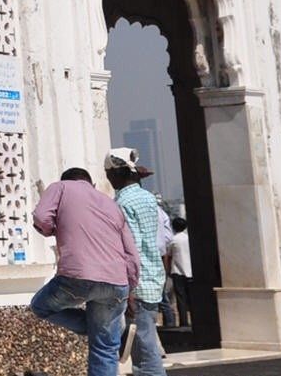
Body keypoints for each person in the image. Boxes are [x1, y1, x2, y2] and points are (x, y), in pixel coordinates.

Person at [28, 167, 140, 376]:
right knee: (105, 347)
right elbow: (131, 251)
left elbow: (42, 217)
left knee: (40, 307)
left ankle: (107, 331)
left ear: (65, 181)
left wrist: (53, 229)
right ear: (92, 185)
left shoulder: (60, 188)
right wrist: (130, 288)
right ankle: (111, 332)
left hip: (77, 277)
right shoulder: (110, 203)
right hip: (117, 282)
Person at [105, 148, 168, 376]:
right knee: (145, 341)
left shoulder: (122, 203)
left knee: (144, 351)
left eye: (108, 174)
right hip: (153, 278)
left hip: (137, 283)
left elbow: (131, 249)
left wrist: (129, 288)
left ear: (116, 174)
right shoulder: (147, 197)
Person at [166, 217, 192, 330]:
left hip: (177, 271)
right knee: (191, 297)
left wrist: (167, 271)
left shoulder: (173, 240)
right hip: (190, 271)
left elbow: (169, 256)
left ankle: (183, 322)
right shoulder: (188, 239)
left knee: (181, 298)